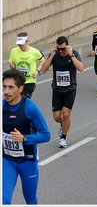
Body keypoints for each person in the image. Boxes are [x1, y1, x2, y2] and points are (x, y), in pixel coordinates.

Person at [2, 68, 51, 205]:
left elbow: (46, 135)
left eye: (11, 87)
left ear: (21, 88)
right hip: (7, 161)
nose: (6, 91)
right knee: (3, 200)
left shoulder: (31, 108)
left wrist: (25, 139)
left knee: (31, 200)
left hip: (28, 161)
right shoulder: (1, 107)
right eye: (4, 87)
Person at [41, 36, 84, 148]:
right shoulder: (54, 55)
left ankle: (63, 138)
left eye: (63, 49)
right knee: (56, 116)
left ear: (68, 47)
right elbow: (44, 69)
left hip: (70, 89)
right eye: (59, 49)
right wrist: (51, 56)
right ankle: (63, 124)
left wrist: (71, 55)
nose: (61, 51)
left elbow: (81, 68)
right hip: (57, 89)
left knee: (66, 114)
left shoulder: (73, 53)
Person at [9, 32, 45, 99]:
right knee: (15, 101)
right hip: (18, 81)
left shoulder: (35, 52)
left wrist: (37, 71)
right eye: (19, 43)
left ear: (27, 41)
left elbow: (42, 60)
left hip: (30, 81)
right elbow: (12, 64)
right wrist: (12, 67)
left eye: (22, 43)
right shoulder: (13, 51)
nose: (20, 45)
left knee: (23, 100)